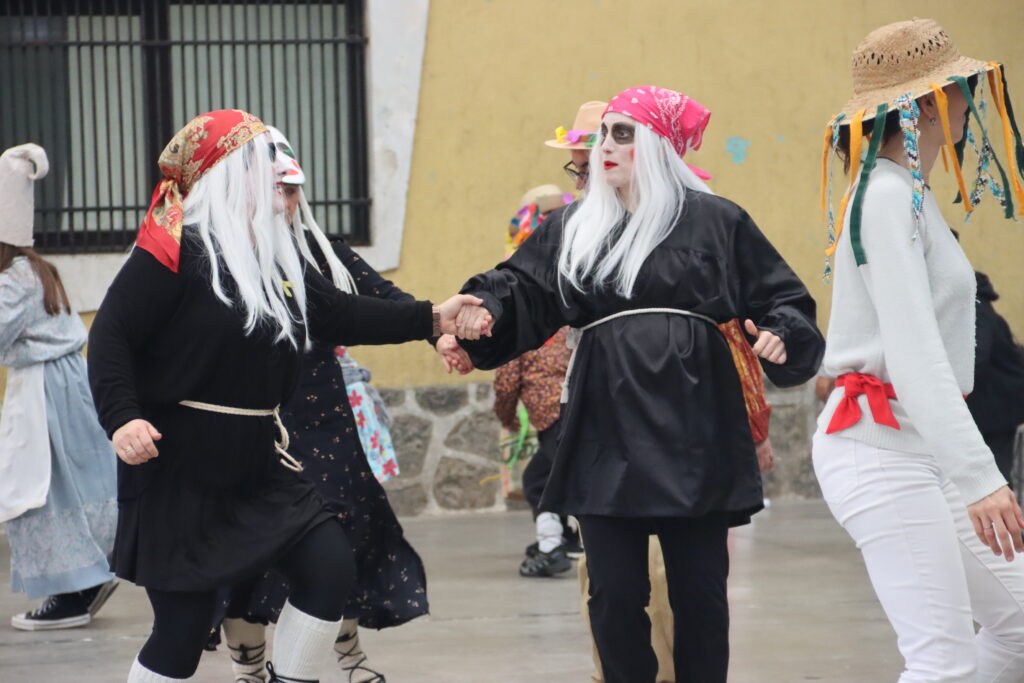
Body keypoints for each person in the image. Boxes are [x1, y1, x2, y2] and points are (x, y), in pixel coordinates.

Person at [86, 109, 490, 682]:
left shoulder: (276, 257)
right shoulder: (171, 253)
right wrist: (122, 418)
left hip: (259, 460)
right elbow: (110, 337)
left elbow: (342, 313)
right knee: (182, 629)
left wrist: (431, 317)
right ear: (228, 175)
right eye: (263, 162)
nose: (280, 173)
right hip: (179, 467)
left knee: (329, 568)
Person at [457, 87, 824, 683]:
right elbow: (519, 288)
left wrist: (782, 330)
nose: (605, 146)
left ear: (656, 145)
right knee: (613, 593)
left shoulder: (718, 220)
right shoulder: (573, 226)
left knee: (700, 595)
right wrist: (478, 315)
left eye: (622, 134)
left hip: (696, 427)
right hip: (606, 426)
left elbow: (781, 295)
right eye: (603, 133)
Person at [814, 19, 1024, 681]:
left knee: (1018, 627)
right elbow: (912, 352)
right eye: (961, 86)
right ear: (927, 105)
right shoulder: (883, 196)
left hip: (918, 445)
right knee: (943, 660)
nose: (971, 100)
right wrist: (981, 477)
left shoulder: (906, 192)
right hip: (878, 448)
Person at [217, 125, 431, 683]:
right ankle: (249, 670)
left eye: (293, 191)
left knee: (341, 538)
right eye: (276, 189)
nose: (286, 202)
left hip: (324, 422)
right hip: (248, 426)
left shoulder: (319, 251)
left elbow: (385, 301)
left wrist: (442, 328)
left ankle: (349, 659)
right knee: (247, 552)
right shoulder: (215, 258)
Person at [0, 143, 119, 631]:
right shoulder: (35, 269)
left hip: (45, 391)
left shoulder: (13, 280)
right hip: (64, 383)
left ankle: (75, 589)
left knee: (43, 492)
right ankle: (86, 578)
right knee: (75, 485)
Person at [492, 184, 578, 578]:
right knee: (566, 473)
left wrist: (506, 416)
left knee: (539, 478)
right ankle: (566, 536)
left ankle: (551, 547)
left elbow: (507, 376)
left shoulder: (520, 293)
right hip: (581, 399)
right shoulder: (570, 282)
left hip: (552, 410)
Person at [967, 270, 1024, 487]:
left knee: (994, 481)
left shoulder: (974, 307)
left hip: (997, 409)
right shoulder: (971, 304)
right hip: (989, 406)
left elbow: (976, 356)